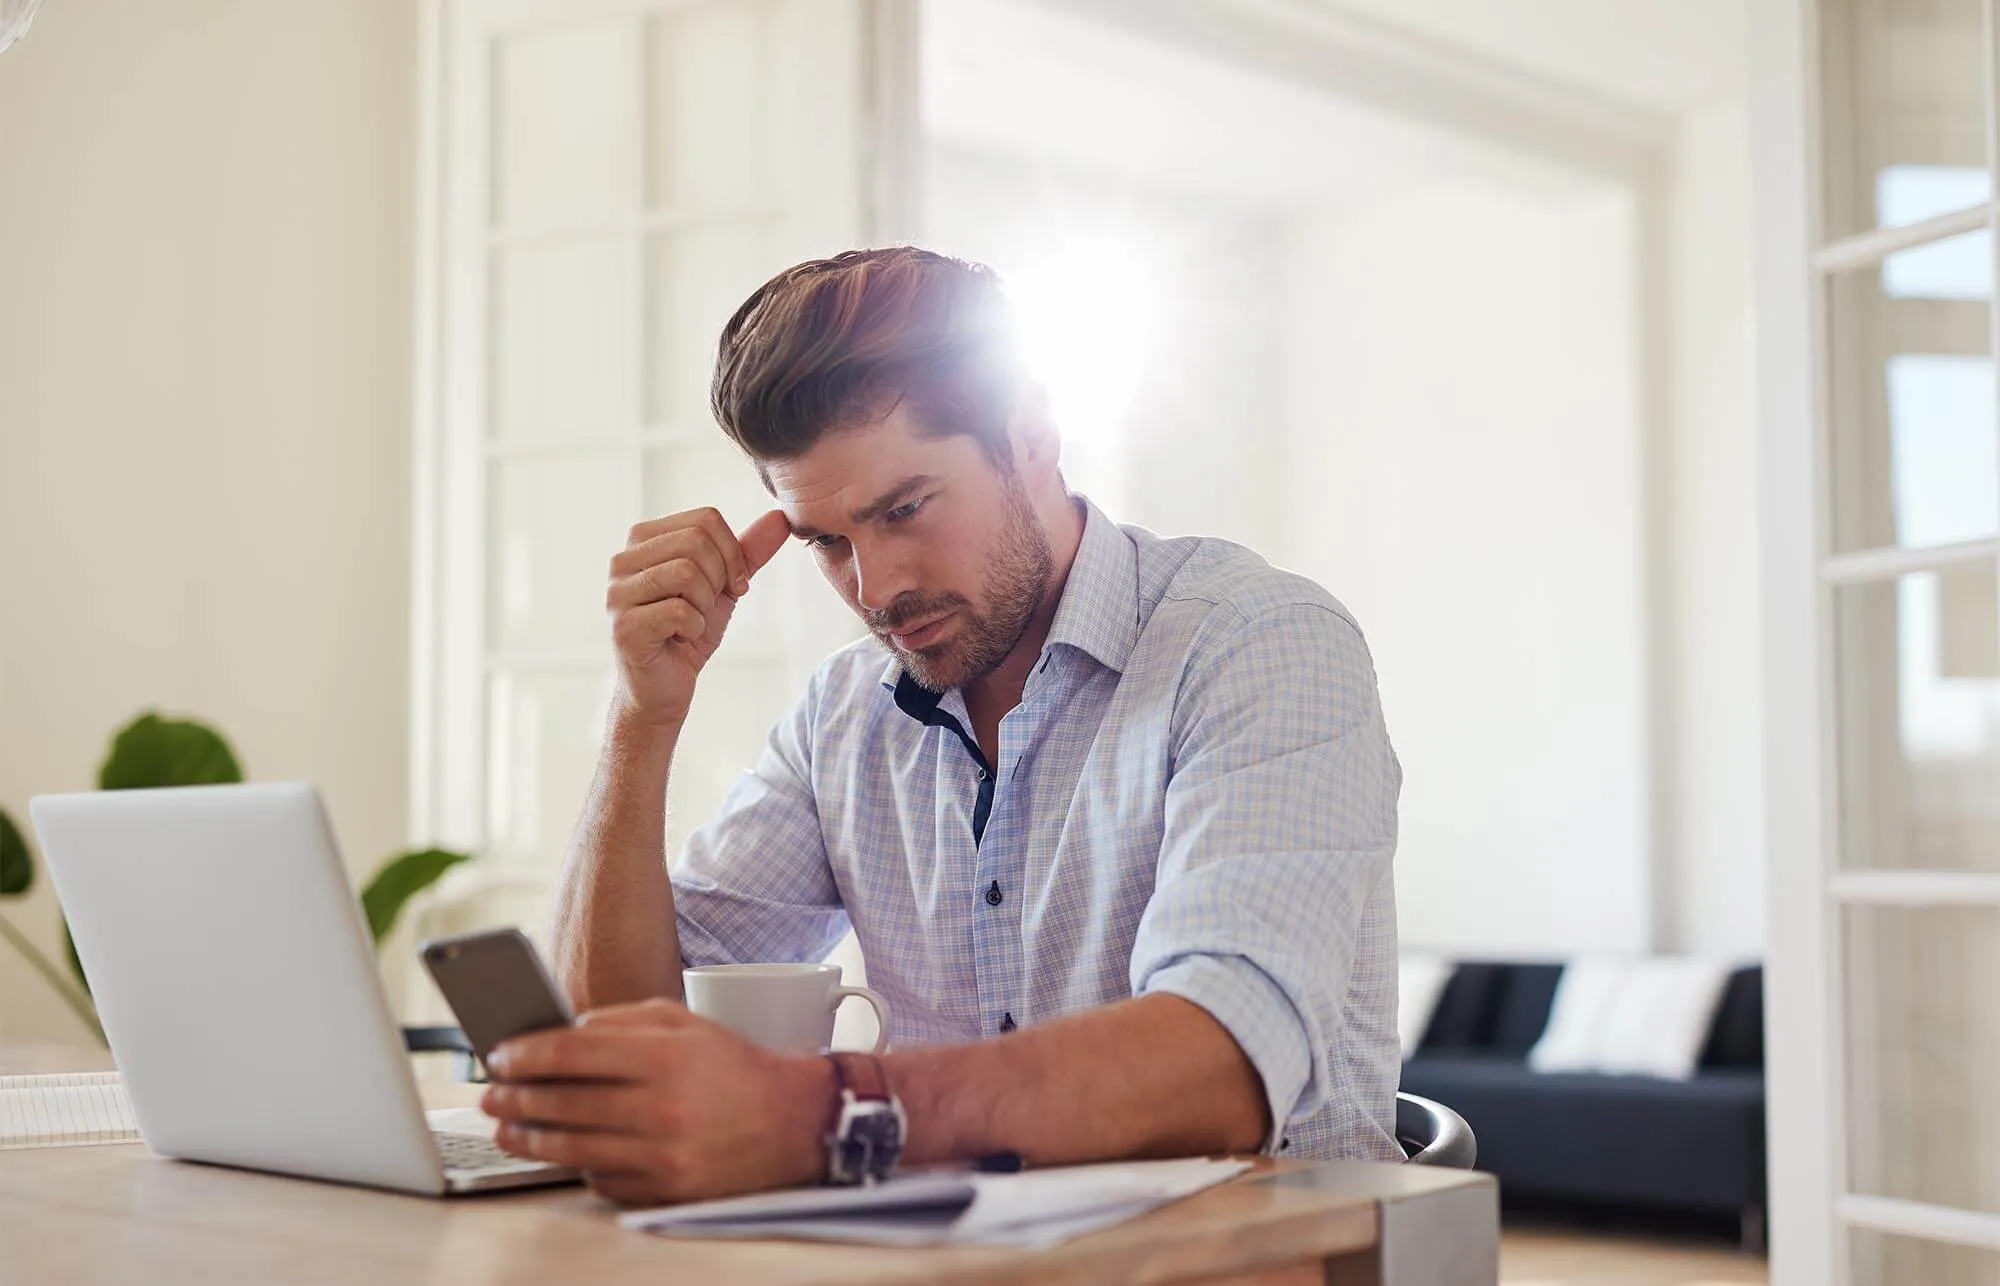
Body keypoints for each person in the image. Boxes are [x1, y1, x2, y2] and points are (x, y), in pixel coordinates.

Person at [479, 247, 1403, 1206]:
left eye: (906, 509)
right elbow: (618, 1053)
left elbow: (1222, 1066)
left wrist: (814, 1114)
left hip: (1251, 1259)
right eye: (826, 543)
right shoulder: (846, 712)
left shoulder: (1259, 644)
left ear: (1031, 435)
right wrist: (641, 714)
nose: (875, 590)